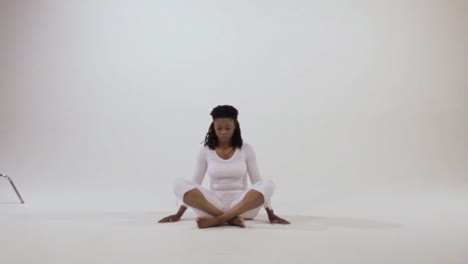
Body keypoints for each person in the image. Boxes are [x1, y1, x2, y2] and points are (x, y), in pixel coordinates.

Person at [158, 105, 290, 228]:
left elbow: (257, 182)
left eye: (227, 128)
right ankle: (231, 219)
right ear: (213, 127)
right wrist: (178, 214)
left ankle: (218, 220)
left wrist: (270, 213)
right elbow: (194, 183)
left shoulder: (246, 149)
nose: (223, 132)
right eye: (219, 128)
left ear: (235, 126)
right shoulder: (205, 151)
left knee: (268, 184)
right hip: (212, 205)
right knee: (178, 183)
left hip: (243, 207)